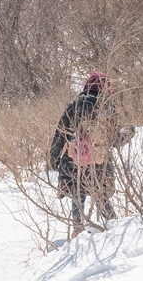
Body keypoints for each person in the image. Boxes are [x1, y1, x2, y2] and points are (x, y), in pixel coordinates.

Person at [50, 71, 127, 237]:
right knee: (100, 193)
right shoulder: (107, 107)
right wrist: (129, 133)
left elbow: (59, 135)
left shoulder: (73, 106)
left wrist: (54, 158)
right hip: (99, 160)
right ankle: (113, 225)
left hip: (74, 159)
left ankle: (78, 229)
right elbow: (115, 140)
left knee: (78, 193)